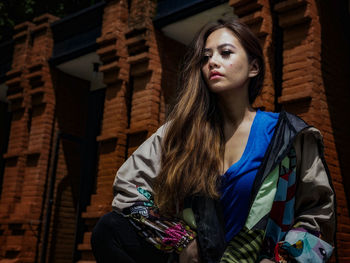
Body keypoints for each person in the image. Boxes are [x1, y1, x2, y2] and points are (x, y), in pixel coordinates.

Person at [91, 19, 335, 263]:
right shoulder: (181, 132)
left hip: (257, 258)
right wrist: (179, 238)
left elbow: (319, 211)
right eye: (206, 57)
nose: (213, 62)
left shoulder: (288, 134)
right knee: (109, 229)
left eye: (226, 52)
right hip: (199, 258)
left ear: (254, 67)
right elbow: (128, 187)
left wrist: (281, 260)